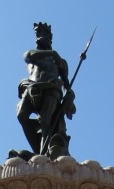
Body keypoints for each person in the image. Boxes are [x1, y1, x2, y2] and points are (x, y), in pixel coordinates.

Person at [13, 22, 75, 159]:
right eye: (37, 34)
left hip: (52, 88)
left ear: (49, 38)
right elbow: (27, 56)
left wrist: (70, 97)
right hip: (32, 87)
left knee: (46, 120)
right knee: (21, 116)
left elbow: (67, 85)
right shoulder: (34, 54)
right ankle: (39, 151)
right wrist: (52, 53)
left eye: (42, 34)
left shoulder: (60, 62)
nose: (38, 37)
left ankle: (43, 153)